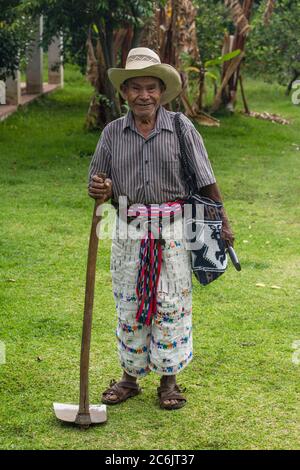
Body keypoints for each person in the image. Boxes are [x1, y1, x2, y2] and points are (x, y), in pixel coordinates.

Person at [88, 47, 234, 410]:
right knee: (130, 303)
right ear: (125, 93)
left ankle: (169, 381)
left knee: (171, 303)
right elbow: (98, 182)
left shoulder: (181, 127)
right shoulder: (111, 133)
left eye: (150, 87)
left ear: (161, 90)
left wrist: (223, 222)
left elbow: (205, 179)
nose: (143, 95)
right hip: (128, 230)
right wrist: (101, 190)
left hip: (173, 232)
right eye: (135, 88)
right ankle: (129, 378)